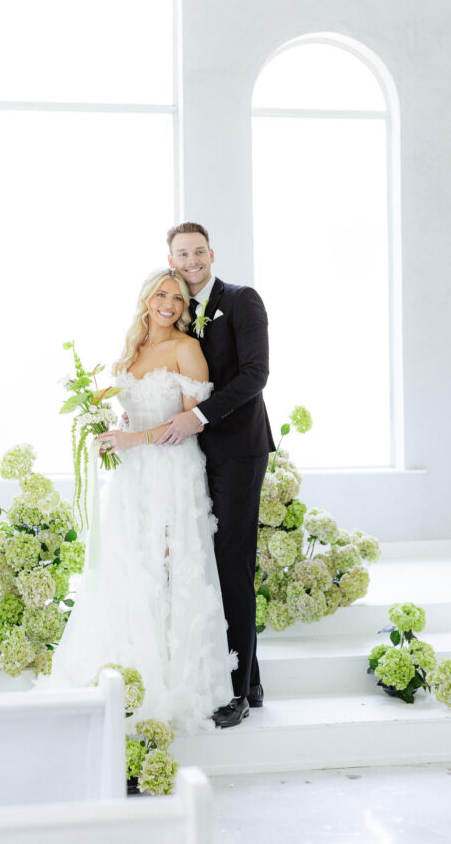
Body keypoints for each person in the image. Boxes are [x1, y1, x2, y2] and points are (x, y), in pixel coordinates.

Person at [35, 268, 235, 732]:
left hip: (171, 470)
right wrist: (100, 417)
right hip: (133, 475)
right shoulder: (132, 350)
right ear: (147, 298)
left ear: (186, 309)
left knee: (166, 566)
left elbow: (192, 424)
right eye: (162, 294)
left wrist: (133, 439)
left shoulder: (188, 349)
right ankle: (125, 667)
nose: (169, 303)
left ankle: (170, 677)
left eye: (179, 299)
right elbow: (120, 401)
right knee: (129, 563)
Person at [159, 222, 275, 729]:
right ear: (171, 260)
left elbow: (255, 374)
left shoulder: (242, 299)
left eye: (198, 251)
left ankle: (237, 694)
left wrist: (199, 418)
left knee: (232, 563)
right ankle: (249, 679)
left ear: (211, 253)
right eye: (181, 254)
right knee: (210, 559)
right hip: (195, 456)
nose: (191, 261)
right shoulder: (177, 311)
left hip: (239, 451)